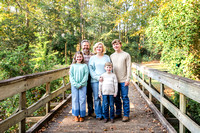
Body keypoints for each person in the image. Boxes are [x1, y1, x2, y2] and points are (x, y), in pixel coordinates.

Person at [110, 39, 131, 122]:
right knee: (116, 98)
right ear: (113, 46)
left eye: (117, 44)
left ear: (120, 45)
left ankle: (126, 114)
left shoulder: (126, 55)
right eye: (114, 45)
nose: (116, 46)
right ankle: (118, 113)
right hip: (115, 80)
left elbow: (129, 67)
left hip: (123, 80)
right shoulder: (111, 56)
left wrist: (128, 79)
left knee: (125, 97)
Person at [89, 42, 111, 120]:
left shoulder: (107, 57)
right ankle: (98, 114)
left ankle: (105, 114)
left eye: (100, 47)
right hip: (95, 81)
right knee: (96, 98)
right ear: (95, 49)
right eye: (97, 47)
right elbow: (91, 70)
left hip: (106, 80)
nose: (99, 48)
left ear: (102, 49)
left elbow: (110, 67)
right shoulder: (92, 58)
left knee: (105, 97)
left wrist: (107, 77)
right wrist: (98, 78)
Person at [70, 51, 89, 122]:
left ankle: (82, 115)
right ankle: (76, 115)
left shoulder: (84, 66)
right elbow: (71, 76)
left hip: (83, 85)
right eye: (77, 57)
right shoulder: (72, 66)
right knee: (75, 99)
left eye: (80, 57)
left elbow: (86, 76)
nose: (79, 58)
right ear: (75, 58)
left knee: (82, 99)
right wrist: (75, 84)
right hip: (74, 85)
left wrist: (81, 84)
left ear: (82, 57)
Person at [81, 40, 95, 117]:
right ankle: (82, 112)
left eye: (87, 45)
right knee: (82, 95)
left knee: (90, 95)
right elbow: (73, 64)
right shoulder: (79, 55)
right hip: (81, 78)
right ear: (81, 46)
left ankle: (91, 111)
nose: (85, 47)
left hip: (90, 77)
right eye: (84, 45)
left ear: (89, 46)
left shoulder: (93, 55)